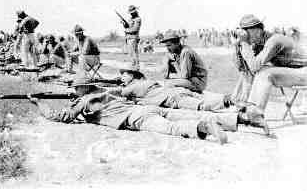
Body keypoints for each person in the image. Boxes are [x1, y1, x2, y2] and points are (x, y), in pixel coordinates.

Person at [28, 77, 229, 144]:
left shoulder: (83, 101)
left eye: (75, 88)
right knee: (188, 113)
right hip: (143, 108)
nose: (74, 90)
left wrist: (38, 103)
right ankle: (232, 120)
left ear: (81, 89)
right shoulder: (104, 91)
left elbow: (60, 117)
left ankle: (204, 128)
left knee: (172, 128)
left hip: (134, 116)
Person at [108, 66, 269, 134]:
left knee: (203, 106)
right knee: (205, 102)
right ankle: (240, 108)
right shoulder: (146, 81)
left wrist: (113, 84)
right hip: (178, 91)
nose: (122, 76)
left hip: (174, 98)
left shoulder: (132, 86)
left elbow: (117, 92)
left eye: (124, 74)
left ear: (132, 76)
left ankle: (243, 106)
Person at [231, 14, 307, 112]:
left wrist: (244, 43)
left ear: (258, 30)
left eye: (246, 32)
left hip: (304, 71)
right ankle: (240, 105)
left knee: (265, 73)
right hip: (296, 71)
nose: (245, 35)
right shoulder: (259, 44)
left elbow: (254, 66)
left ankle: (255, 114)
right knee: (254, 72)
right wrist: (237, 45)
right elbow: (244, 69)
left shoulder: (275, 40)